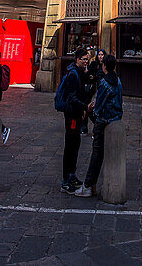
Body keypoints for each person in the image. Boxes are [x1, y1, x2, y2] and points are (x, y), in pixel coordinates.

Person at [76, 53, 123, 196]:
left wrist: (91, 109)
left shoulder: (104, 83)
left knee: (97, 153)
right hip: (115, 119)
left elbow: (100, 105)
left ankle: (88, 185)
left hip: (103, 120)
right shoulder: (118, 81)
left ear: (104, 66)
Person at [60, 47, 89, 192]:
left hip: (77, 113)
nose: (86, 62)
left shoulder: (79, 72)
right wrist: (84, 106)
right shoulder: (73, 74)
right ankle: (66, 180)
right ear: (77, 59)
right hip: (71, 115)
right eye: (84, 59)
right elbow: (72, 98)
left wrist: (82, 109)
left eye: (87, 59)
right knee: (70, 145)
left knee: (75, 144)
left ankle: (72, 175)